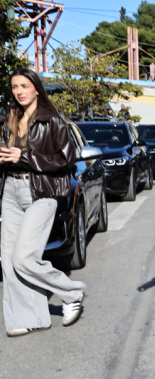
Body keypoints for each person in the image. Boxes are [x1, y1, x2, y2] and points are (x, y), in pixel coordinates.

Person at [1, 68, 85, 336]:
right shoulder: (8, 119)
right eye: (14, 87)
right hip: (11, 190)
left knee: (24, 258)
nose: (19, 92)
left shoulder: (53, 121)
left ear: (36, 88)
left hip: (41, 192)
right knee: (8, 262)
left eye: (24, 86)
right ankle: (30, 318)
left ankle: (71, 293)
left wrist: (24, 157)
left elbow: (66, 160)